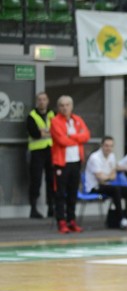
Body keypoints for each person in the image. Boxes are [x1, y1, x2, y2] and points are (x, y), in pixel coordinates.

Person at [50, 95, 91, 234]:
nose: (65, 107)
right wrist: (77, 138)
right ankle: (61, 221)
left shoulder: (77, 120)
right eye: (62, 105)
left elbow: (86, 135)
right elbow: (62, 141)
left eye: (67, 105)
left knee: (73, 192)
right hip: (62, 163)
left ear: (71, 106)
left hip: (76, 161)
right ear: (58, 107)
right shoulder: (55, 121)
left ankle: (71, 220)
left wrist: (71, 136)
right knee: (60, 193)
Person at [84, 136, 127, 230]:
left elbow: (113, 174)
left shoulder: (111, 155)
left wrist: (111, 175)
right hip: (94, 187)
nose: (109, 148)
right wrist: (110, 175)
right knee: (116, 189)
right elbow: (101, 179)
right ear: (102, 145)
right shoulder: (94, 158)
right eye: (106, 146)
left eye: (111, 146)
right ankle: (122, 220)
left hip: (107, 185)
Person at [26, 91, 54, 219]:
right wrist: (47, 132)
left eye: (44, 99)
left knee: (51, 179)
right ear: (37, 102)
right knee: (36, 180)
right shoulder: (32, 116)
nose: (42, 102)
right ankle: (33, 208)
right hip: (37, 152)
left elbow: (58, 131)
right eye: (39, 99)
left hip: (51, 150)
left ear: (48, 101)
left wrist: (44, 132)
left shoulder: (53, 114)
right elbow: (34, 134)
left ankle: (51, 208)